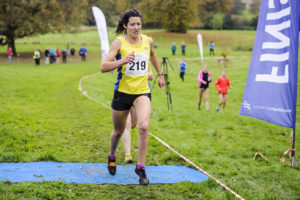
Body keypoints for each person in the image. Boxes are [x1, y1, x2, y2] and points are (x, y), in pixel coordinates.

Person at [101, 9, 165, 185]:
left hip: (142, 92)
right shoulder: (118, 43)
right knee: (118, 131)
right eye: (132, 24)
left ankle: (141, 167)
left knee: (143, 127)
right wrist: (123, 60)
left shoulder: (147, 40)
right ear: (125, 26)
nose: (136, 27)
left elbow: (152, 55)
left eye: (139, 24)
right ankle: (112, 155)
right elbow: (103, 66)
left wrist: (159, 74)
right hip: (122, 93)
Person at [122, 67, 153, 164]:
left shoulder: (144, 56)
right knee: (126, 124)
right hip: (125, 91)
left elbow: (151, 75)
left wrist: (144, 75)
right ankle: (128, 155)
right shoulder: (125, 55)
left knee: (133, 124)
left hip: (141, 94)